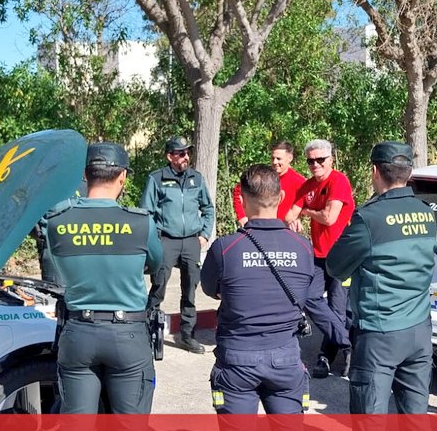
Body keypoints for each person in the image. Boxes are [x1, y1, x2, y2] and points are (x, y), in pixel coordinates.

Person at [202, 165, 347, 431]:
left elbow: (211, 289)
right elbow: (311, 298)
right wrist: (345, 336)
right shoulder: (303, 248)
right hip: (286, 360)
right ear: (281, 197)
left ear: (243, 198)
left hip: (237, 362)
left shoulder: (224, 248)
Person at [43, 142, 163, 414]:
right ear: (123, 176)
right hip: (128, 335)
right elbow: (155, 263)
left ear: (85, 176)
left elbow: (56, 258)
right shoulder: (141, 222)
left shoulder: (58, 221)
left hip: (78, 333)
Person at [327, 142, 436, 414]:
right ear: (409, 173)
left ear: (375, 171)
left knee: (370, 426)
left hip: (380, 332)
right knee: (416, 421)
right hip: (420, 329)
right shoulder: (427, 212)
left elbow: (334, 266)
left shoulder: (368, 218)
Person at [284, 139, 356, 378]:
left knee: (337, 309)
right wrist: (294, 219)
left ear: (330, 159)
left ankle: (326, 357)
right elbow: (288, 214)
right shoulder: (307, 186)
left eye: (320, 160)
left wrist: (305, 212)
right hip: (318, 255)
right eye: (311, 161)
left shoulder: (339, 181)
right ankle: (347, 345)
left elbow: (329, 217)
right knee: (310, 298)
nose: (315, 165)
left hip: (342, 255)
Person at [142, 136, 216, 354]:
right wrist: (155, 238)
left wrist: (204, 234)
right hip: (166, 241)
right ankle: (146, 332)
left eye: (187, 152)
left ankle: (186, 335)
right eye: (181, 153)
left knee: (190, 290)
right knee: (158, 288)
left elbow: (208, 208)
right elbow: (147, 212)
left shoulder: (196, 178)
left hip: (191, 241)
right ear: (169, 156)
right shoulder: (157, 178)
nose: (186, 157)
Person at [233, 141, 305, 228]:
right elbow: (238, 191)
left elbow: (308, 204)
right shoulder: (262, 175)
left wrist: (297, 218)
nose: (274, 162)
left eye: (278, 159)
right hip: (258, 227)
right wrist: (241, 216)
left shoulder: (299, 182)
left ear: (290, 158)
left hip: (284, 230)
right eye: (272, 158)